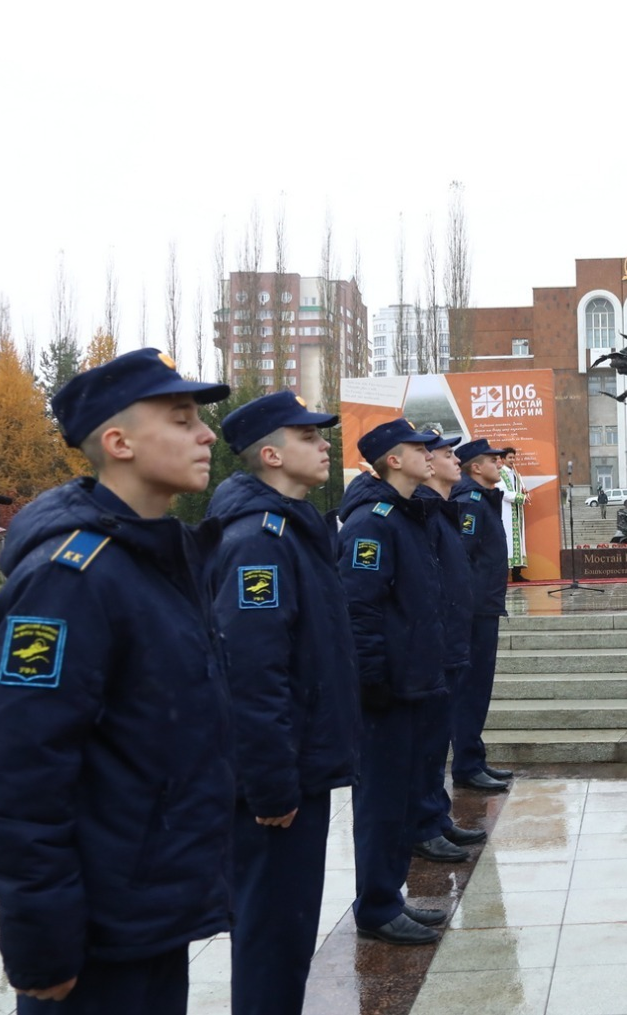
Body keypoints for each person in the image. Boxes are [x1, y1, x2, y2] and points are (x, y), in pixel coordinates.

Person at [0, 348, 233, 1014]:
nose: (206, 435)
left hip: (145, 912)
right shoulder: (70, 579)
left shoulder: (154, 560)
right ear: (119, 443)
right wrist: (43, 935)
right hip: (92, 936)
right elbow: (14, 772)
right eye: (182, 420)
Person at [206, 391, 365, 1015]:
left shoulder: (293, 528)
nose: (324, 445)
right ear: (271, 455)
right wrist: (271, 786)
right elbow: (252, 672)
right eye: (308, 437)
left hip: (301, 765)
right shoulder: (259, 541)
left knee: (288, 932)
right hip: (279, 781)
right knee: (273, 936)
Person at [337, 418, 455, 946]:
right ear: (392, 460)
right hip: (387, 690)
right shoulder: (373, 522)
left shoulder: (409, 514)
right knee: (381, 805)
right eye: (418, 447)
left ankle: (389, 895)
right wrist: (373, 680)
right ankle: (377, 907)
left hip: (415, 680)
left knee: (402, 801)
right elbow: (358, 608)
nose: (429, 454)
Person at [414, 433, 494, 838]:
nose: (455, 461)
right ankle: (428, 822)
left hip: (467, 615)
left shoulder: (447, 506)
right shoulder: (460, 504)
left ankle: (437, 817)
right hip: (458, 621)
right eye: (447, 454)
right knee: (454, 708)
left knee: (460, 707)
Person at [450, 438, 514, 792]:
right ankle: (467, 765)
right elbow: (462, 555)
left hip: (483, 605)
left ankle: (473, 758)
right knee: (470, 689)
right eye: (493, 460)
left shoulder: (481, 499)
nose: (499, 464)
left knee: (477, 688)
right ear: (475, 467)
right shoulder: (471, 502)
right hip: (474, 610)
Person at [497, 447, 531, 581]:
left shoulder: (516, 474)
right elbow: (503, 493)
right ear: (502, 459)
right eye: (510, 458)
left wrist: (524, 493)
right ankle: (503, 574)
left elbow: (520, 489)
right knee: (508, 541)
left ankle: (516, 574)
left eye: (513, 457)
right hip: (506, 511)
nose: (512, 460)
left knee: (518, 541)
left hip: (517, 511)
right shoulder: (500, 474)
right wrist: (521, 497)